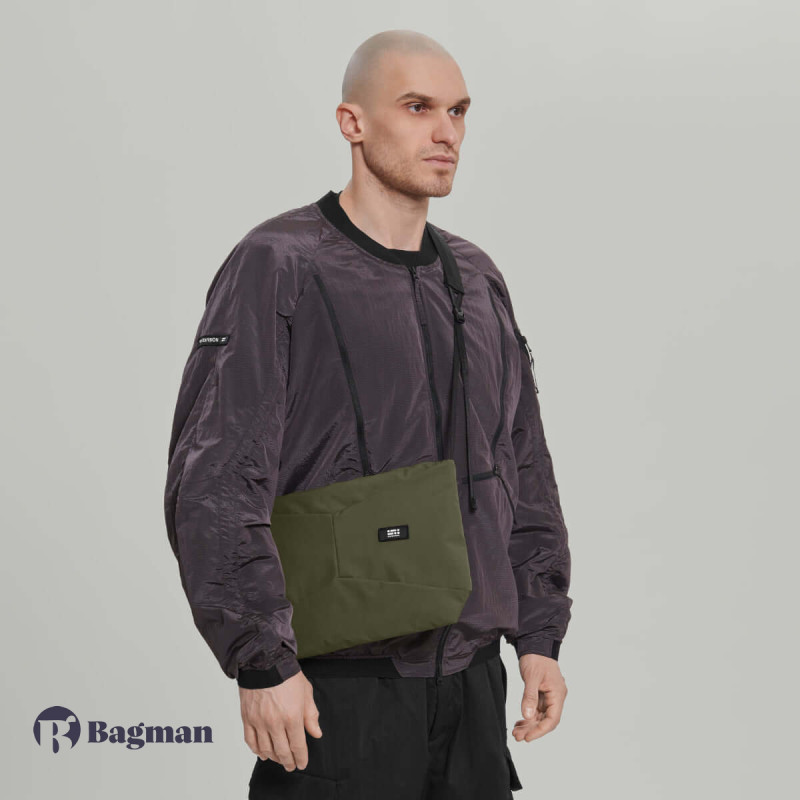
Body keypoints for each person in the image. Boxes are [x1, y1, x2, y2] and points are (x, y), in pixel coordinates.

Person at [164, 28, 573, 799]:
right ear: (352, 122)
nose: (446, 131)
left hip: (472, 687)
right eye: (417, 107)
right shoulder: (279, 264)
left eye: (458, 111)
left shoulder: (476, 277)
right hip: (340, 686)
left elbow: (523, 462)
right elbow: (217, 477)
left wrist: (538, 634)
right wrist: (261, 662)